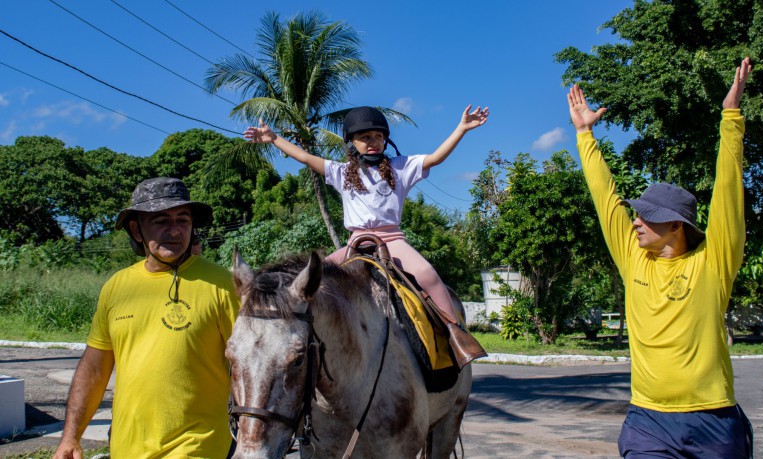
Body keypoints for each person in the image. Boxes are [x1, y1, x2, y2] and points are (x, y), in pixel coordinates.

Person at [567, 57, 754, 458]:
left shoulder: (713, 261)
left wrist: (730, 117)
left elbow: (727, 193)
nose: (635, 222)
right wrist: (584, 134)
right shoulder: (633, 257)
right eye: (636, 214)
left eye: (647, 217)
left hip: (714, 419)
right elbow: (605, 198)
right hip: (648, 421)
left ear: (676, 226)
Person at [244, 105, 489, 367]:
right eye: (365, 138)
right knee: (313, 280)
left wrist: (461, 128)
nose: (373, 142)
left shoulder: (401, 166)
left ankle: (456, 336)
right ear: (352, 143)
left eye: (378, 137)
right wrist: (274, 138)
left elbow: (436, 158)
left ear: (385, 139)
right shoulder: (340, 172)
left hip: (392, 241)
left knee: (428, 275)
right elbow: (305, 158)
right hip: (354, 243)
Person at [53, 177, 241, 459]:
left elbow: (250, 363)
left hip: (199, 446)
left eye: (183, 220)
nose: (175, 230)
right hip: (126, 447)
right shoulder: (117, 287)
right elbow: (94, 369)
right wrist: (70, 437)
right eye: (161, 221)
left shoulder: (222, 284)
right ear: (136, 230)